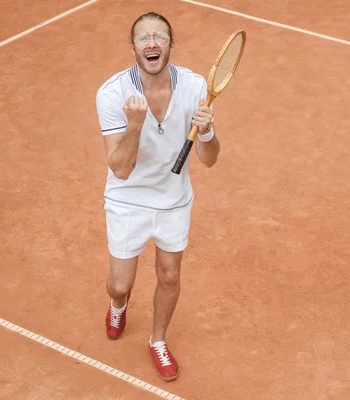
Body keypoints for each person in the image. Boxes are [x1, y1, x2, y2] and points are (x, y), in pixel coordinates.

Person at [94, 11, 220, 382]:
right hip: (127, 199)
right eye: (144, 37)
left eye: (160, 37)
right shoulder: (112, 93)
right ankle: (118, 305)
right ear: (133, 47)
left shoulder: (196, 87)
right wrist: (135, 125)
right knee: (120, 283)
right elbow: (119, 168)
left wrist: (208, 133)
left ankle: (158, 340)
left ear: (170, 44)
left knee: (169, 275)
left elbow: (209, 160)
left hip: (173, 200)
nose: (152, 43)